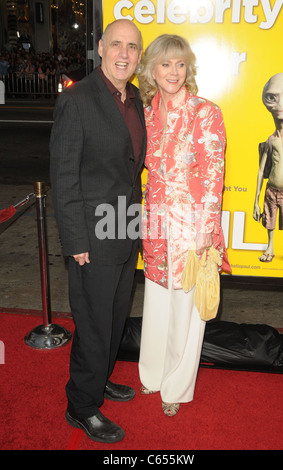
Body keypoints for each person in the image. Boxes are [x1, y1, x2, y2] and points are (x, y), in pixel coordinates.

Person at [50, 19, 146, 443]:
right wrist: (75, 242)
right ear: (101, 47)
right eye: (117, 45)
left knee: (113, 317)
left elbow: (130, 170)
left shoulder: (135, 98)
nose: (124, 54)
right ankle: (81, 406)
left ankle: (100, 380)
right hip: (92, 235)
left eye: (133, 47)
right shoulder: (78, 100)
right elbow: (64, 176)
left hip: (126, 229)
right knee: (92, 324)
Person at [137, 34, 230, 416]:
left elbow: (214, 175)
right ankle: (153, 374)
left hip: (192, 221)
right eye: (165, 64)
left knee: (187, 306)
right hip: (156, 218)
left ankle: (176, 386)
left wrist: (206, 227)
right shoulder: (145, 113)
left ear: (187, 69)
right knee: (157, 298)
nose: (173, 72)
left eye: (180, 64)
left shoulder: (205, 112)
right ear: (152, 70)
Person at [253, 73, 283, 263]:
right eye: (272, 97)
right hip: (271, 190)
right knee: (269, 220)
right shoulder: (269, 142)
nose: (280, 105)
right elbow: (261, 171)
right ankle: (270, 247)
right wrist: (255, 201)